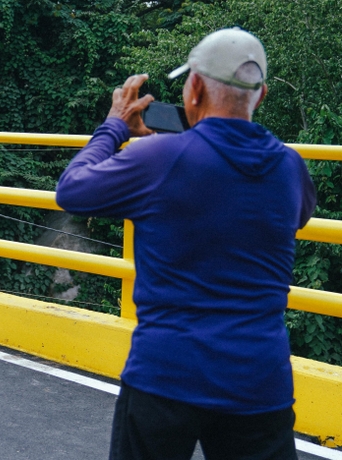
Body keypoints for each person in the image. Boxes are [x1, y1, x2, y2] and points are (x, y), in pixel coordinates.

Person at [55, 28, 316, 460]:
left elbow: (72, 190)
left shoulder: (159, 159)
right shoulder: (290, 167)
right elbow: (296, 214)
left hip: (166, 374)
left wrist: (114, 127)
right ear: (262, 94)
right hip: (259, 379)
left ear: (193, 88)